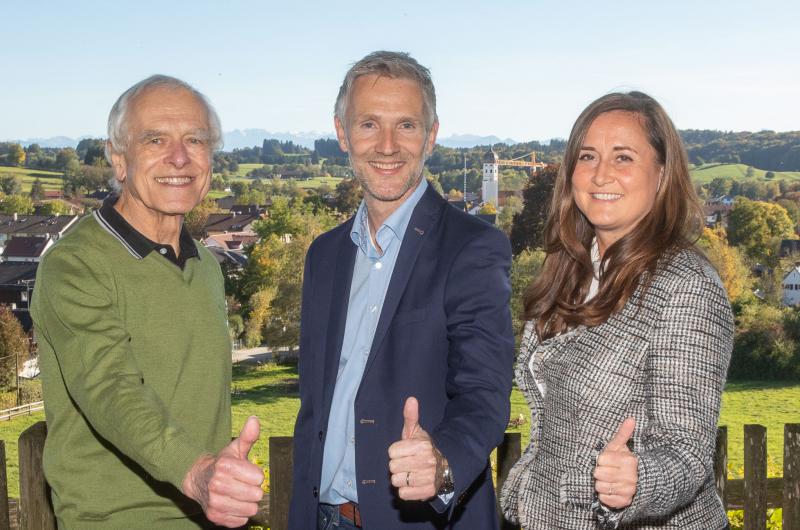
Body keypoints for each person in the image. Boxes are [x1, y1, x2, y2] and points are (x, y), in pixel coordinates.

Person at [289, 51, 515, 529]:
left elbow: (485, 397)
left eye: (407, 126)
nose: (387, 145)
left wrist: (443, 464)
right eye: (369, 124)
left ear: (431, 135)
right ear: (341, 133)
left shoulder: (474, 248)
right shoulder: (323, 255)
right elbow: (315, 409)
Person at [30, 75, 264, 529]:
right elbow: (111, 388)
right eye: (155, 139)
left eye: (195, 140)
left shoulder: (206, 267)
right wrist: (197, 474)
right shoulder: (75, 266)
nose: (179, 157)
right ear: (119, 160)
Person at [499, 91, 734, 529]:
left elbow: (687, 451)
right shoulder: (570, 266)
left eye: (623, 157)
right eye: (587, 156)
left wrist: (638, 481)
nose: (601, 173)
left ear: (662, 174)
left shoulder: (685, 286)